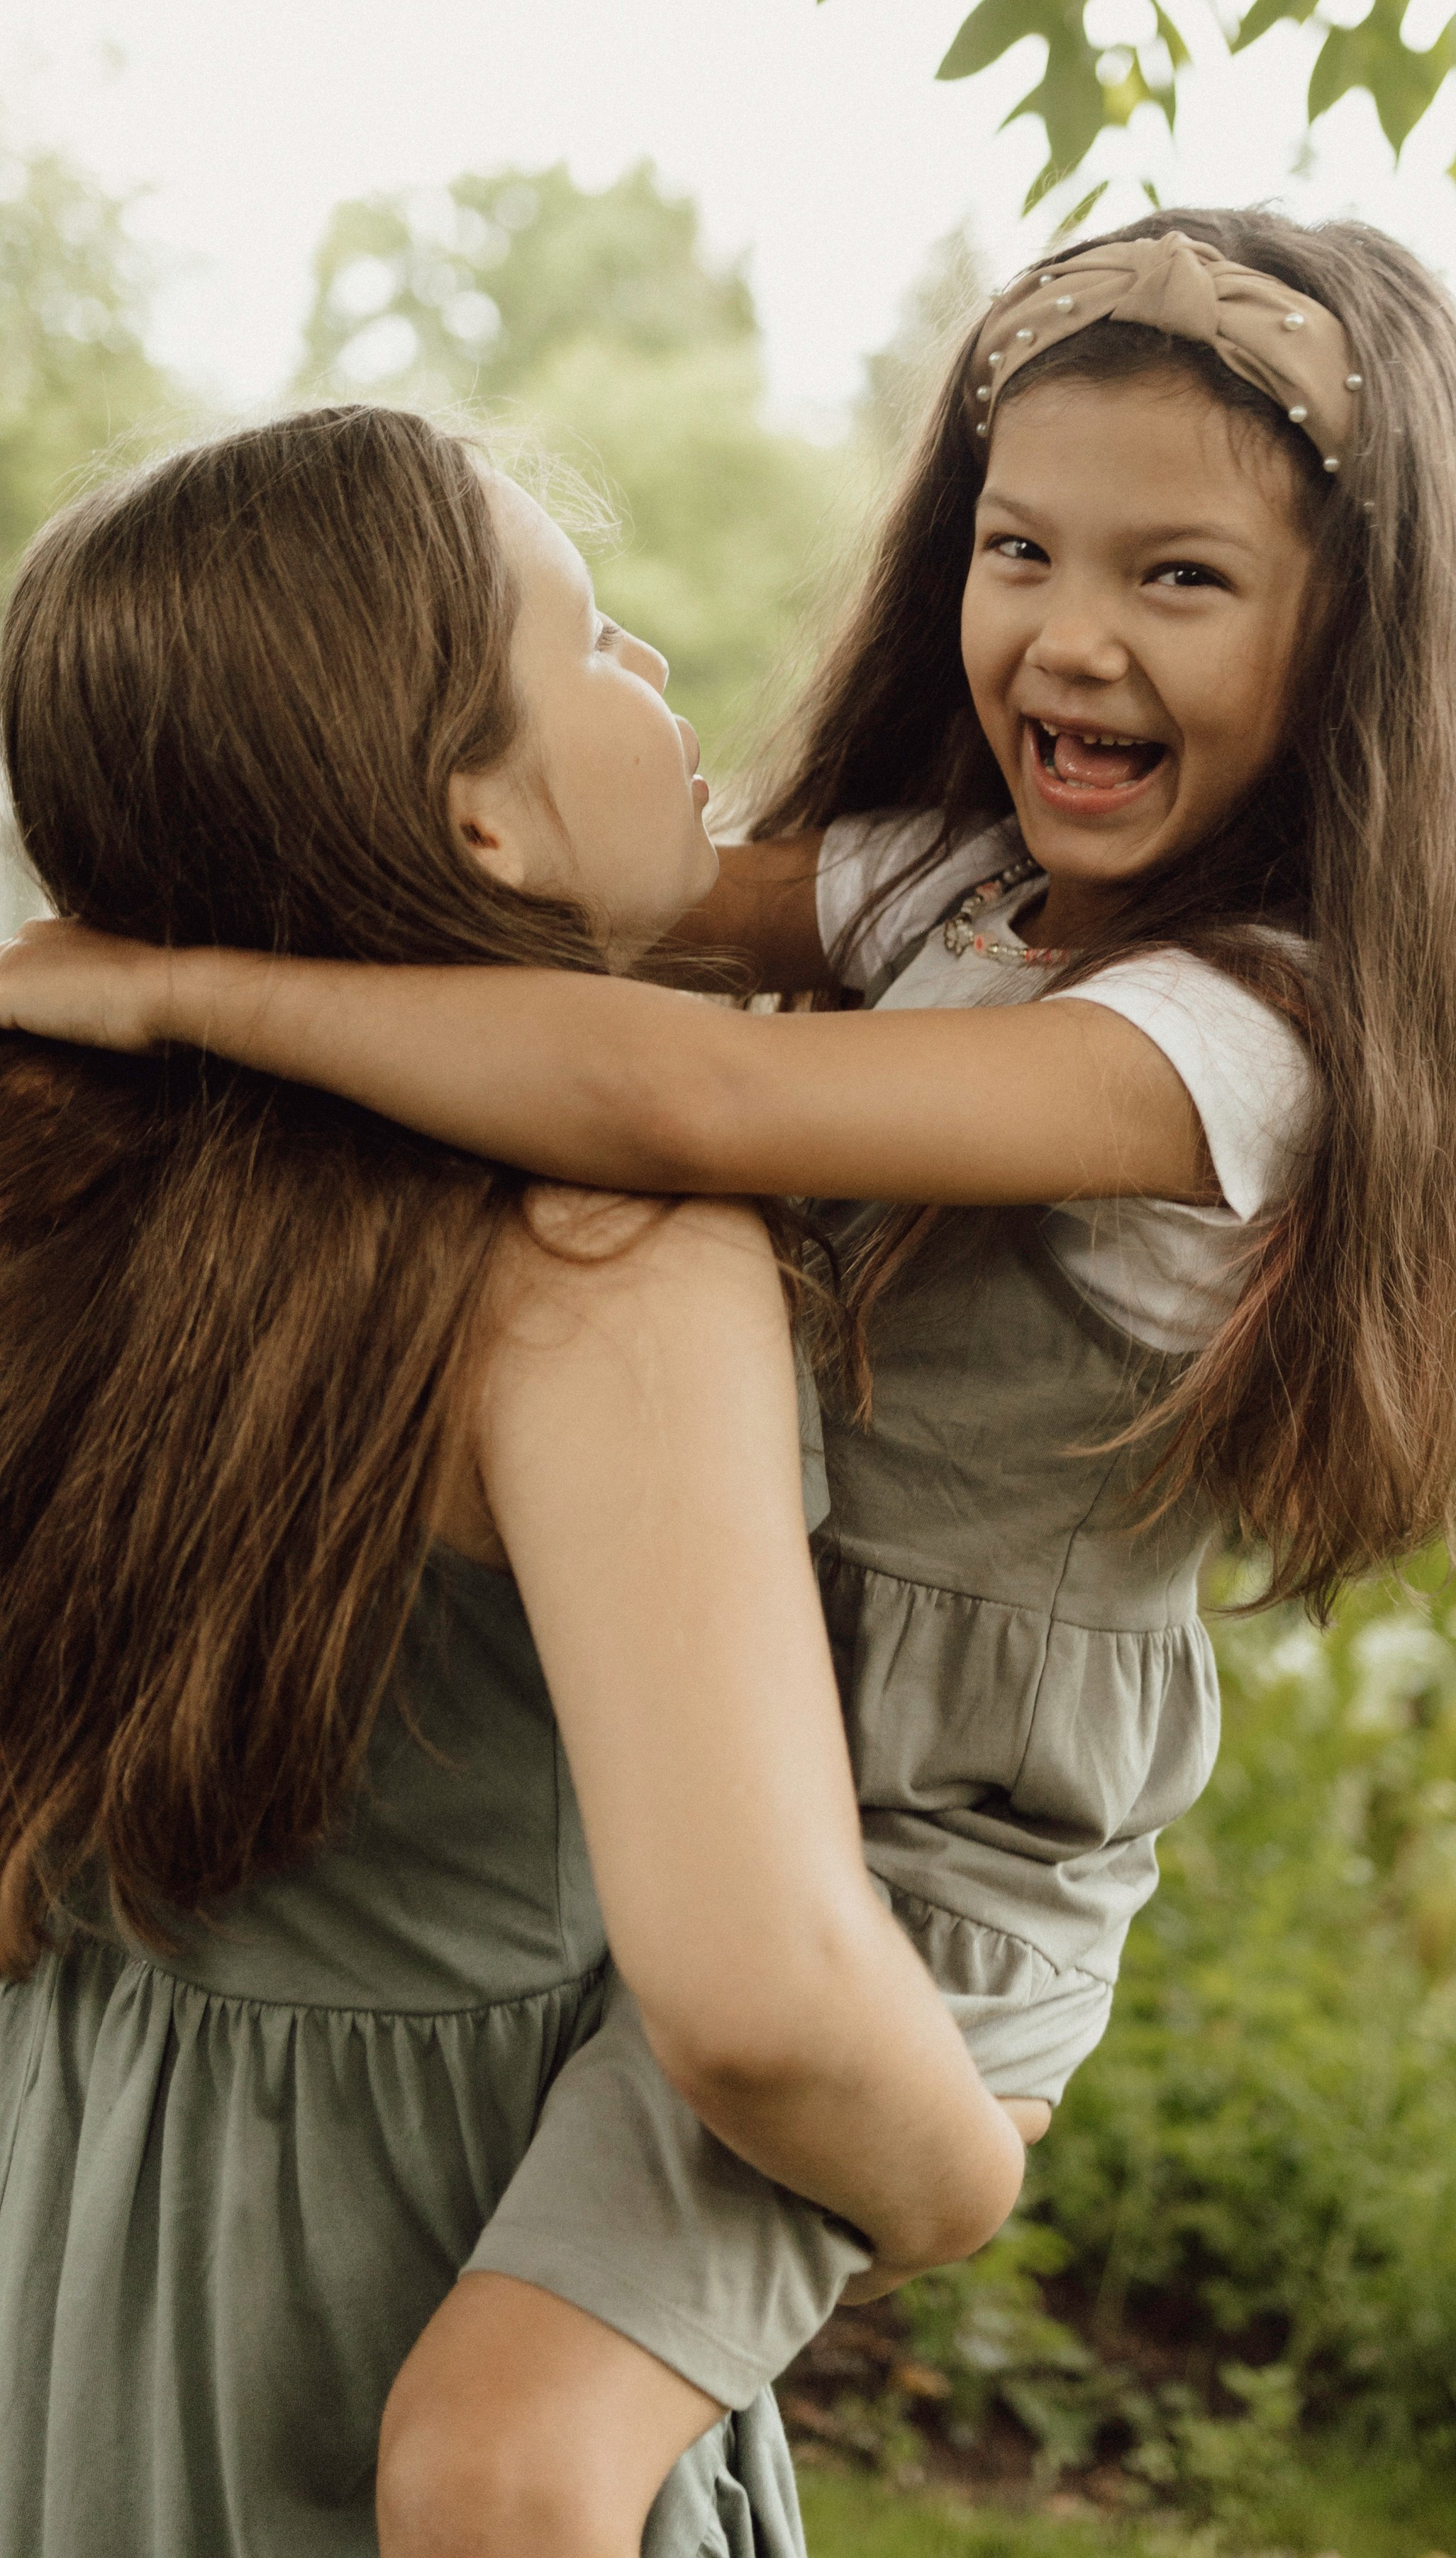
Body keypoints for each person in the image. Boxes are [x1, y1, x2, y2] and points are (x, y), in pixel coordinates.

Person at [0, 207, 1456, 2543]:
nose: (1072, 631)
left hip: (935, 1850)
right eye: (1020, 545)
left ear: (1368, 640)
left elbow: (676, 1086)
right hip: (773, 1798)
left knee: (508, 2459)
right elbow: (610, 907)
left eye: (1184, 578)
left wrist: (174, 988)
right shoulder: (940, 902)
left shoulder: (1239, 1041)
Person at [0, 406, 1028, 2558]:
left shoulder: (55, 1191)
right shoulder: (595, 1261)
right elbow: (752, 1995)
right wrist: (954, 2170)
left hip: (56, 2231)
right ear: (476, 815)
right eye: (591, 637)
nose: (652, 669)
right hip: (399, 2293)